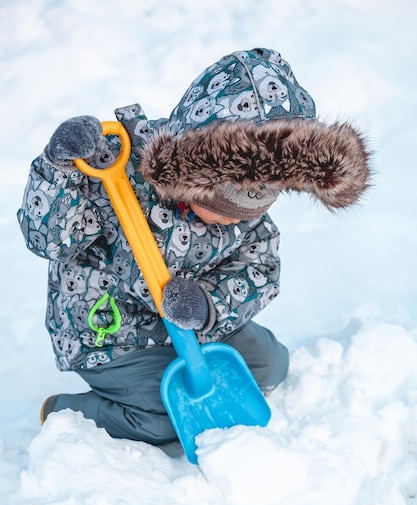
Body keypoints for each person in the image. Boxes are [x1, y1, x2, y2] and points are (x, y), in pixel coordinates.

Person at [18, 47, 371, 445]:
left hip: (195, 325)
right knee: (159, 421)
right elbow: (46, 239)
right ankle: (67, 411)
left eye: (249, 210)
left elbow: (260, 269)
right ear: (190, 175)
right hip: (115, 333)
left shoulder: (247, 218)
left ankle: (188, 350)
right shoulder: (113, 177)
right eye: (220, 206)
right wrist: (57, 169)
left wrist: (208, 307)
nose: (232, 220)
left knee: (273, 364)